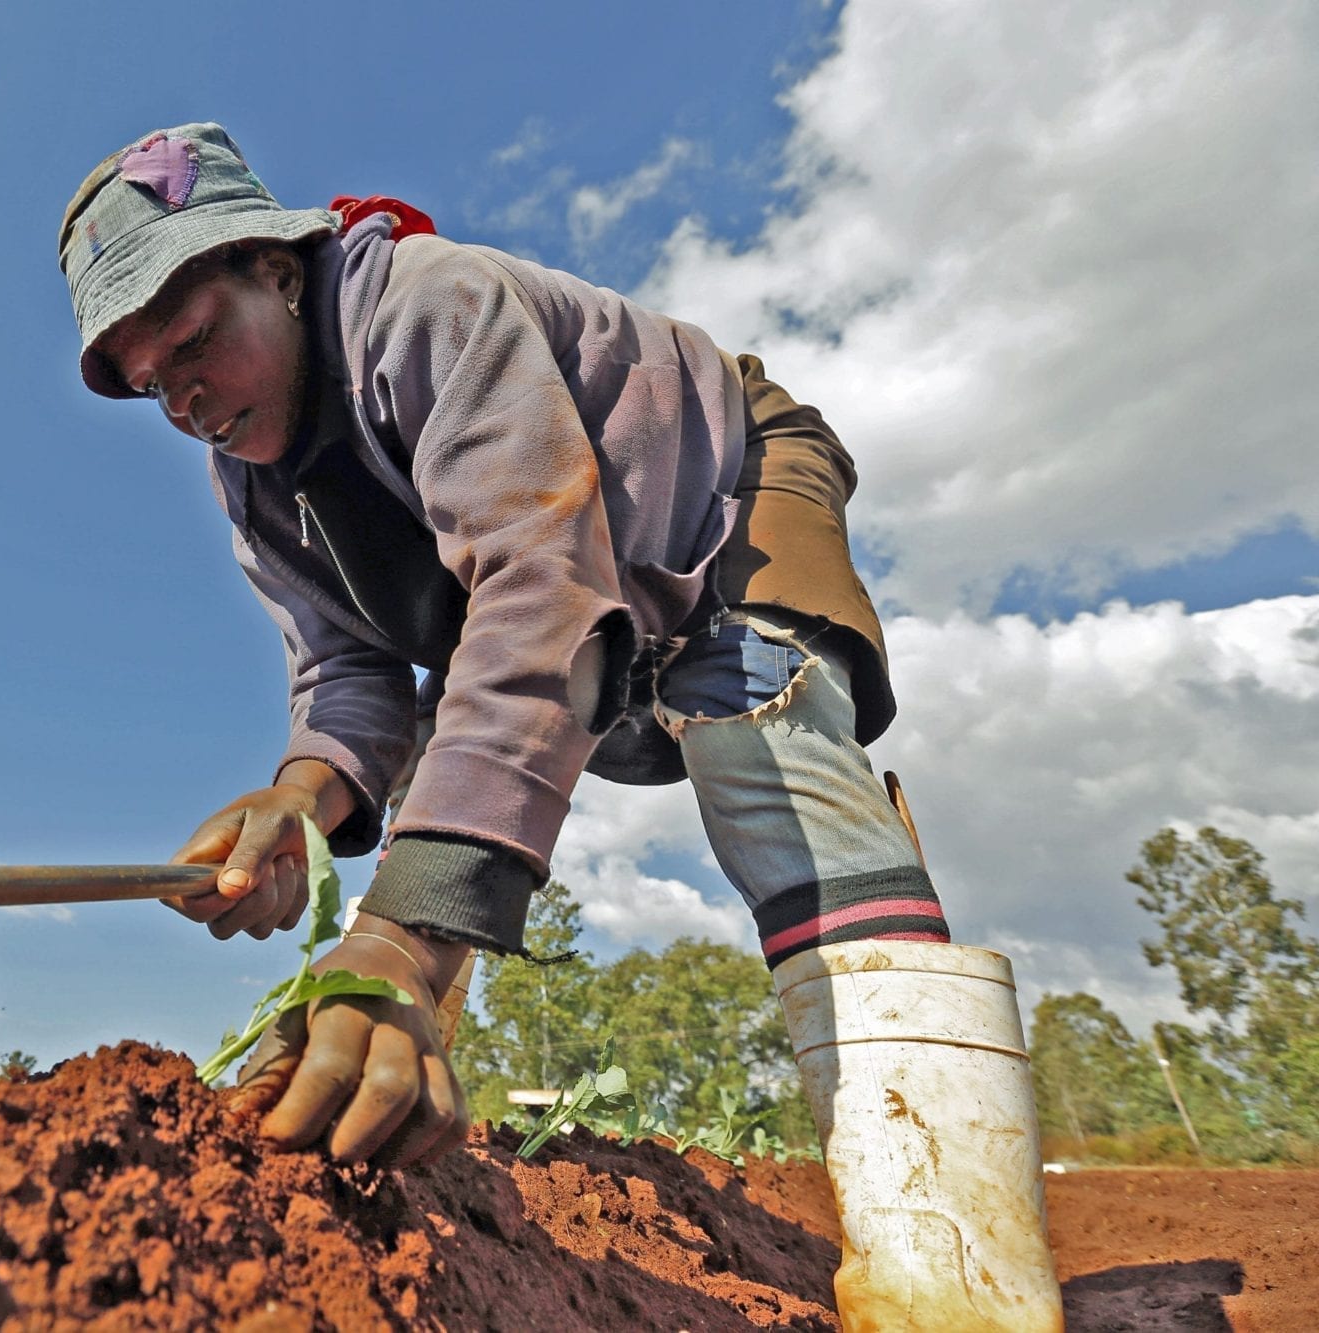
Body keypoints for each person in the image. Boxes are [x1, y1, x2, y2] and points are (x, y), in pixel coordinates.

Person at [60, 123, 1063, 1330]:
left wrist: (402, 941)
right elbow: (349, 672)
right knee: (434, 805)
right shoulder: (259, 486)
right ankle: (391, 1114)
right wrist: (303, 796)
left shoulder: (426, 305)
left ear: (278, 268)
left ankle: (954, 1268)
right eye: (150, 380)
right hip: (589, 588)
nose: (186, 395)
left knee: (752, 724)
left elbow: (539, 585)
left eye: (195, 340)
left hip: (721, 503)